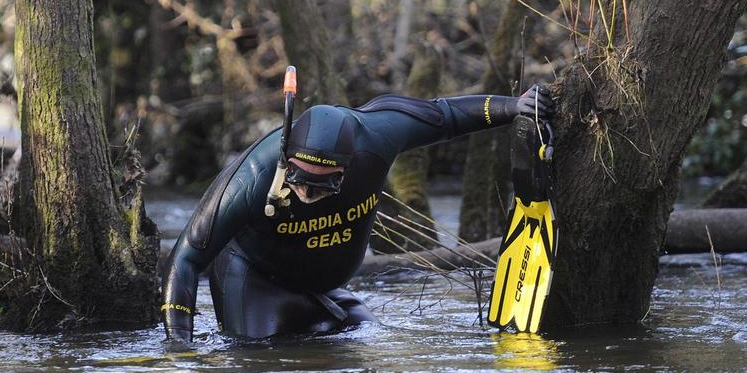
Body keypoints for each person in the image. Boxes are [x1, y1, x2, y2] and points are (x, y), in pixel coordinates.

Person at [160, 85, 555, 343]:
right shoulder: (253, 175)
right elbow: (187, 257)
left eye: (323, 186)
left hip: (325, 285)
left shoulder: (380, 134)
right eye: (298, 178)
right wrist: (179, 350)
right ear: (286, 158)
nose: (306, 193)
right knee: (264, 359)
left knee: (362, 337)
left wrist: (513, 106)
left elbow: (446, 116)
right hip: (255, 278)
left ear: (348, 168)